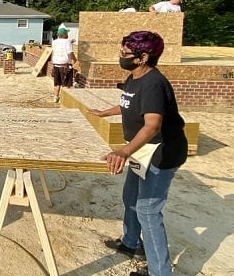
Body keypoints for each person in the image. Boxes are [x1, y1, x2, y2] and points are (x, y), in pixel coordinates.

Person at [88, 31, 188, 276]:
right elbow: (128, 103)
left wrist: (123, 151)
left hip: (160, 152)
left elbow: (152, 125)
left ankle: (160, 272)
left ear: (143, 57)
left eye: (126, 53)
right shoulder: (134, 77)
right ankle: (131, 242)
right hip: (141, 149)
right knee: (131, 196)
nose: (120, 55)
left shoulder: (154, 83)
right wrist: (104, 112)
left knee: (148, 211)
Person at [51, 28, 78, 103]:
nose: (67, 34)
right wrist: (75, 60)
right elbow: (70, 54)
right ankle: (64, 100)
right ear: (64, 34)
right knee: (67, 84)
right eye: (66, 33)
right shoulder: (67, 42)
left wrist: (70, 42)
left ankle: (56, 97)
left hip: (56, 65)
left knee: (57, 83)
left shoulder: (54, 42)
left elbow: (59, 48)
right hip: (65, 66)